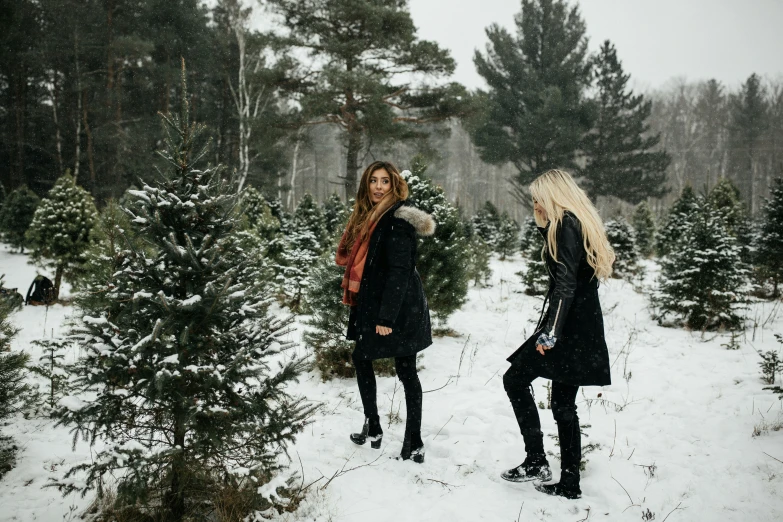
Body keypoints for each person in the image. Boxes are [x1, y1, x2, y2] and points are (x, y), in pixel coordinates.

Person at [501, 169, 615, 499]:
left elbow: (564, 284)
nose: (534, 202)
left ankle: (538, 461)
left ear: (554, 195)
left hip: (569, 324)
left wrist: (550, 333)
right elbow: (569, 274)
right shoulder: (573, 221)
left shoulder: (566, 224)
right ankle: (568, 482)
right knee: (563, 403)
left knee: (516, 381)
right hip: (581, 320)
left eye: (539, 197)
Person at [336, 161, 435, 463]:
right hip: (373, 302)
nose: (378, 187)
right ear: (366, 185)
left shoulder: (398, 220)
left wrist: (386, 318)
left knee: (406, 371)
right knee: (361, 357)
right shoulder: (367, 218)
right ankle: (374, 425)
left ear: (394, 185)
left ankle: (414, 441)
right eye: (373, 181)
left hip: (398, 306)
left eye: (385, 182)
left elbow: (400, 271)